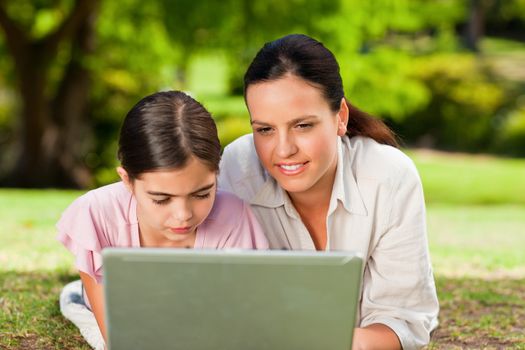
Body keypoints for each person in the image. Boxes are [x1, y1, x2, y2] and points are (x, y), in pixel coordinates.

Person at [218, 34, 439, 349]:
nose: (283, 150)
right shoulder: (239, 169)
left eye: (302, 125)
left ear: (341, 118)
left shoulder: (389, 178)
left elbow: (404, 321)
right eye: (265, 129)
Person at [57, 90, 269, 348]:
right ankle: (75, 296)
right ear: (128, 181)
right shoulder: (96, 212)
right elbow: (118, 339)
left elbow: (239, 320)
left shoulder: (234, 216)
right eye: (161, 199)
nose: (183, 215)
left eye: (202, 193)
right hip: (126, 310)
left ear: (216, 174)